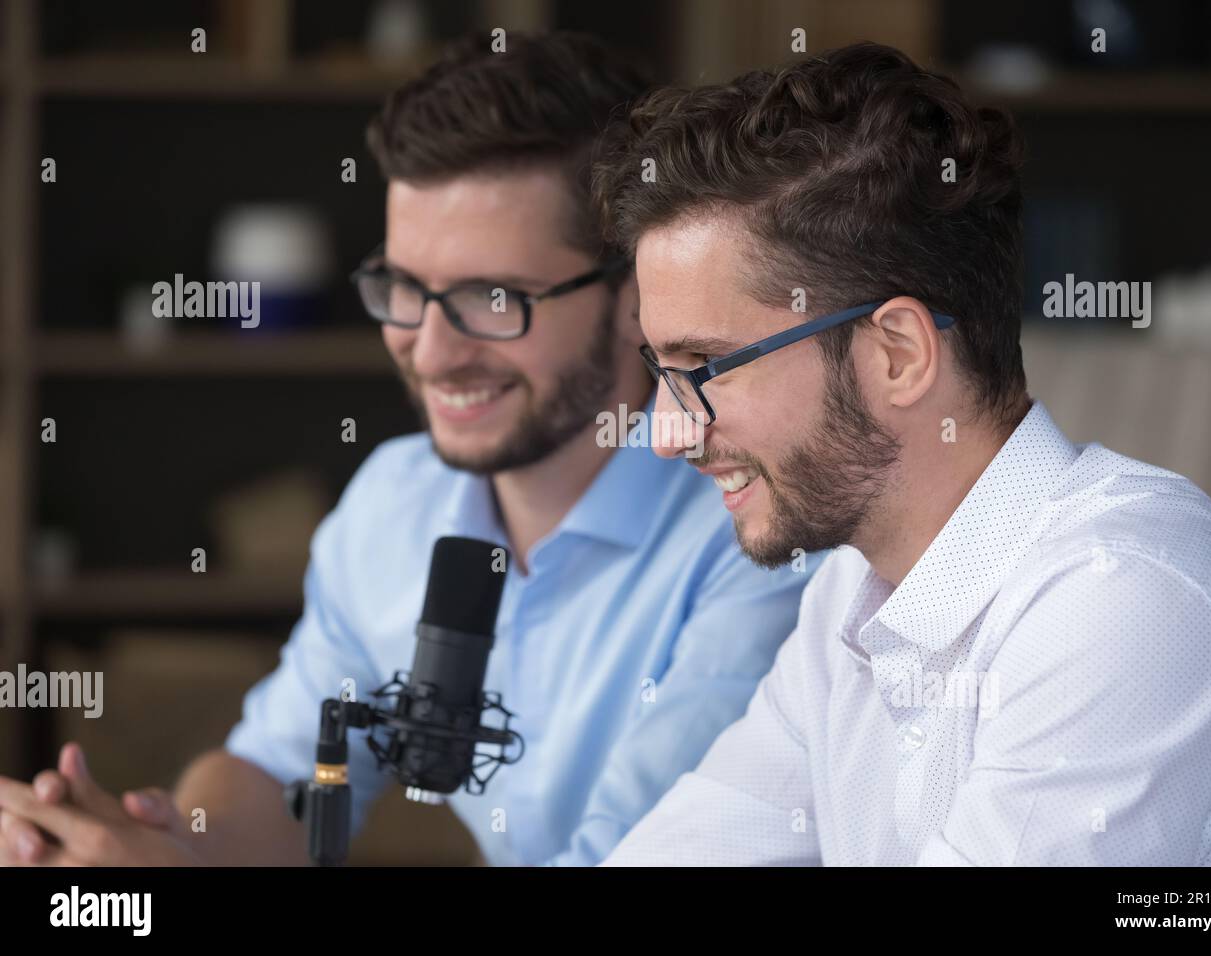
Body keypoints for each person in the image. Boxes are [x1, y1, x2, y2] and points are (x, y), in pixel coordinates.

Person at [0, 32, 817, 867]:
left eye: (490, 299)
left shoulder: (756, 524)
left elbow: (634, 854)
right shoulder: (395, 502)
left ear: (636, 298)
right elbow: (280, 774)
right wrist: (159, 847)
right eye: (403, 291)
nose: (429, 354)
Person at [592, 41, 1211, 865]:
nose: (666, 432)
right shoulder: (849, 596)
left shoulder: (1123, 601)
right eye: (660, 372)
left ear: (897, 353)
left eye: (702, 370)